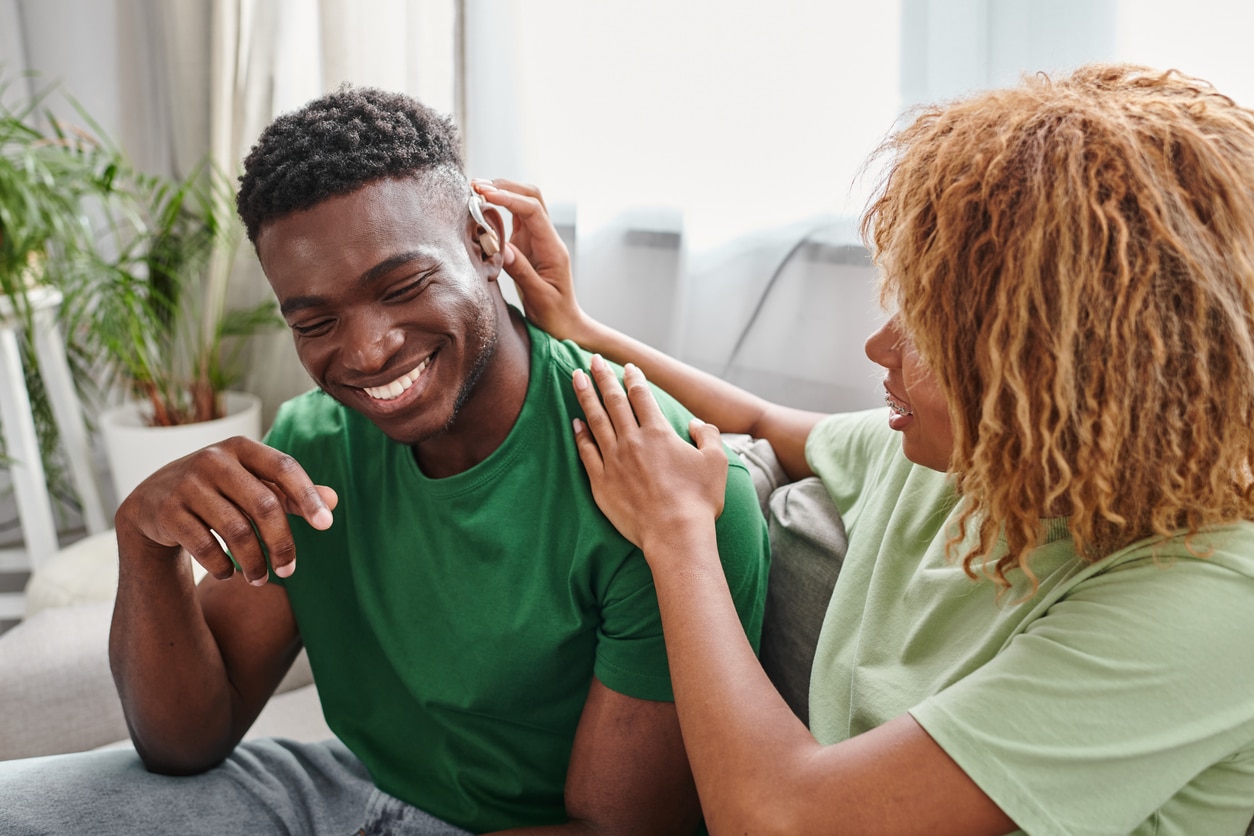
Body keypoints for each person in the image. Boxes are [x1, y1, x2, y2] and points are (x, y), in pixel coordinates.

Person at [478, 64, 1254, 835]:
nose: (877, 345)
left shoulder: (1213, 602)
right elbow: (759, 416)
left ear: (1053, 378)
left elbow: (778, 818)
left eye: (923, 332)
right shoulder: (973, 460)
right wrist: (581, 329)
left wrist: (678, 535)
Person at [0, 87, 770, 835]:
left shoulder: (670, 488)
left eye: (403, 284)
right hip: (347, 790)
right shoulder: (313, 445)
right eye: (317, 321)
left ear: (486, 240)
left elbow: (611, 829)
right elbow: (183, 743)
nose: (366, 353)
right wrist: (144, 542)